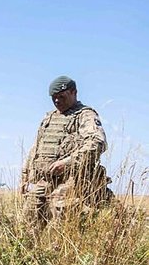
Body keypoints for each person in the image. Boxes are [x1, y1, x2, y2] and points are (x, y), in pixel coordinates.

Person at [21, 76, 110, 229]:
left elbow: (97, 143)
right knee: (27, 223)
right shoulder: (49, 118)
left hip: (69, 182)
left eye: (61, 97)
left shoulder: (85, 115)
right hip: (42, 181)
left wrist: (67, 162)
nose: (57, 101)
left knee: (59, 227)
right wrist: (25, 175)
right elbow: (36, 148)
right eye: (53, 98)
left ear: (74, 93)